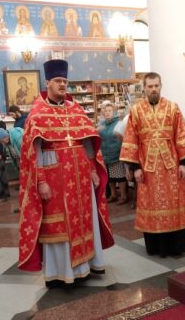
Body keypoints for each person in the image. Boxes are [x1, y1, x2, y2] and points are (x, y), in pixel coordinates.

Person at [18, 59, 114, 287]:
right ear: (47, 83)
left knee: (85, 220)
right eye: (58, 81)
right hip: (55, 179)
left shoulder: (75, 108)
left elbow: (87, 141)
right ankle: (61, 273)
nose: (62, 84)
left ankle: (88, 265)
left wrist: (93, 169)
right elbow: (34, 151)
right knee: (58, 227)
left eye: (65, 81)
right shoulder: (37, 113)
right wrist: (41, 181)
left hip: (81, 177)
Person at [120, 72, 185, 257]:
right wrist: (135, 168)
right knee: (152, 205)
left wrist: (184, 163)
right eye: (150, 86)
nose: (153, 89)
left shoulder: (173, 107)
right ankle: (156, 247)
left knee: (174, 202)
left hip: (171, 166)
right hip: (148, 169)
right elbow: (131, 139)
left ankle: (177, 246)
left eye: (156, 85)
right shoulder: (136, 111)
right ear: (144, 88)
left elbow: (182, 135)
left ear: (161, 86)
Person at [98, 101, 128, 204]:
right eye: (106, 111)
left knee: (120, 176)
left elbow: (124, 138)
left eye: (110, 111)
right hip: (106, 155)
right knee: (110, 177)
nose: (107, 112)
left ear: (114, 112)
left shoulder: (118, 123)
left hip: (116, 154)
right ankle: (113, 195)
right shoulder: (102, 124)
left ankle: (123, 196)